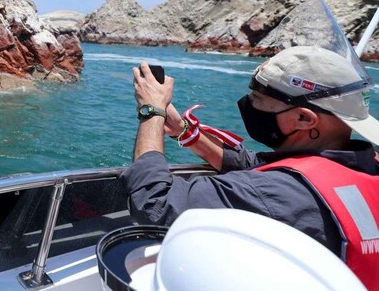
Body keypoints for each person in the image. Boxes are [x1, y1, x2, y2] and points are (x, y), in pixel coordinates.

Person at [120, 46, 379, 288]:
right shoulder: (365, 164)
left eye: (257, 98)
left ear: (303, 118)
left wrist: (151, 112)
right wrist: (184, 131)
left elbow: (153, 204)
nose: (249, 104)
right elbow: (262, 165)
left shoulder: (277, 191)